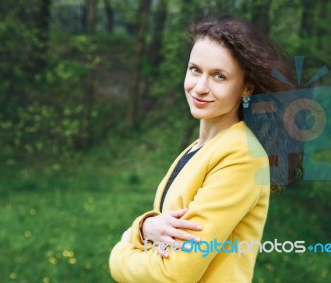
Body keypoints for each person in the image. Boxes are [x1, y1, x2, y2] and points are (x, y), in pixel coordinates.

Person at [109, 15, 293, 283]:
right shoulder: (200, 148)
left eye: (219, 76)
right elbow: (164, 236)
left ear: (246, 88)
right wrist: (144, 227)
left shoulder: (242, 155)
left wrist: (120, 252)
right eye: (195, 69)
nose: (200, 87)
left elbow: (175, 272)